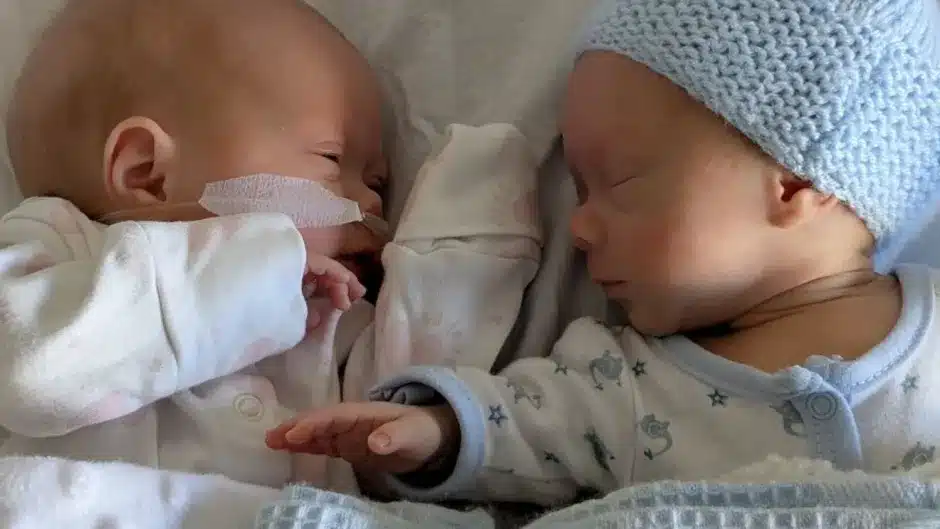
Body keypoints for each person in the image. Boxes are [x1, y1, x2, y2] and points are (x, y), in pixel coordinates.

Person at [266, 0, 940, 505]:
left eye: (617, 182)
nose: (580, 227)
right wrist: (434, 433)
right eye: (579, 190)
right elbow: (521, 424)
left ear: (795, 183)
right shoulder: (620, 381)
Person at [0, 0, 541, 494]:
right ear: (149, 173)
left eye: (376, 181)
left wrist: (458, 251)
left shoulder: (325, 307)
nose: (371, 204)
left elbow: (393, 415)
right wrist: (245, 280)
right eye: (330, 159)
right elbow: (29, 372)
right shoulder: (51, 246)